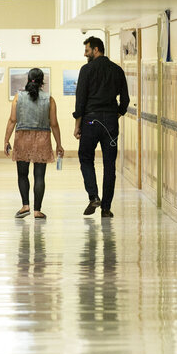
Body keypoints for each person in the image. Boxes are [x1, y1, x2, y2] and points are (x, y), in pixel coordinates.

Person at [73, 36, 130, 218]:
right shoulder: (117, 70)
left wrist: (77, 125)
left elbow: (80, 100)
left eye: (87, 50)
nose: (85, 54)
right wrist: (117, 114)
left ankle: (93, 196)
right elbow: (125, 100)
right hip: (110, 123)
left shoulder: (86, 70)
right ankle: (106, 208)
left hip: (90, 121)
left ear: (96, 49)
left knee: (86, 157)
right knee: (109, 165)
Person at [4, 68, 65, 220]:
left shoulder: (19, 97)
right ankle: (37, 210)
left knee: (22, 174)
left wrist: (6, 140)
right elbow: (54, 123)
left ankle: (25, 206)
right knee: (39, 176)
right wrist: (59, 144)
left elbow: (12, 120)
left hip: (22, 137)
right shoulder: (49, 99)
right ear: (41, 81)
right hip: (42, 138)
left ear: (28, 79)